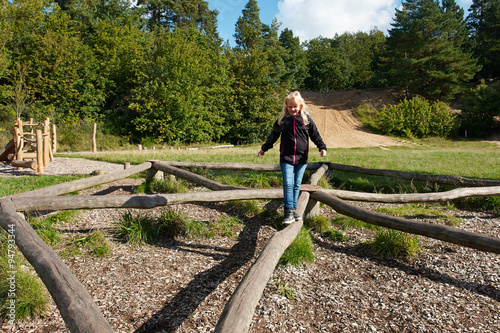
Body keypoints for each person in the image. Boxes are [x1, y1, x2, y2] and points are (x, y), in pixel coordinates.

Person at [258, 91, 327, 224]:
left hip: (301, 159)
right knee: (288, 183)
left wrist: (322, 147)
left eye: (295, 107)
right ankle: (288, 212)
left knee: (296, 185)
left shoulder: (306, 119)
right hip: (286, 157)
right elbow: (273, 135)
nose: (292, 109)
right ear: (286, 106)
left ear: (300, 106)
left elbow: (315, 135)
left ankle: (294, 210)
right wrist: (264, 148)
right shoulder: (282, 120)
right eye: (290, 107)